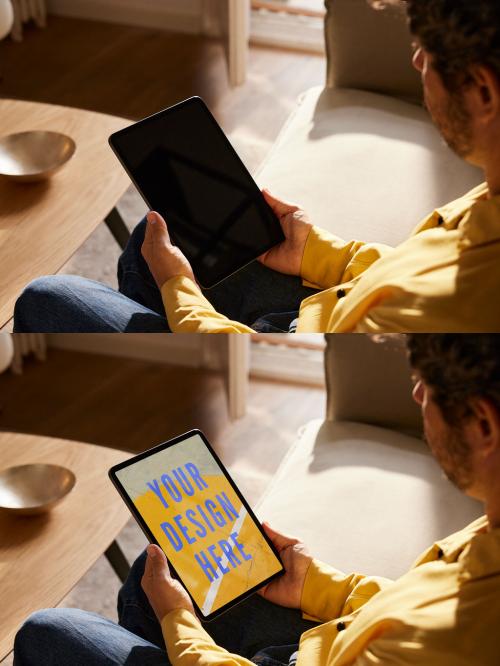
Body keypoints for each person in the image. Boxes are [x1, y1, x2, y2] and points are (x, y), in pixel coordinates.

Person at [13, 0, 500, 333]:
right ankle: (155, 331)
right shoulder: (487, 199)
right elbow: (411, 277)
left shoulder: (465, 296)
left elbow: (418, 296)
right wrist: (315, 252)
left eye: (427, 54)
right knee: (165, 227)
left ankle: (159, 333)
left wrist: (178, 286)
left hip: (299, 327)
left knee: (45, 296)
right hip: (329, 302)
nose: (416, 63)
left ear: (483, 91)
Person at [12, 333, 500, 665]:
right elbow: (425, 614)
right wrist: (316, 585)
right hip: (332, 643)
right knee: (163, 571)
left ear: (483, 425)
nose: (416, 396)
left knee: (47, 632)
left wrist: (180, 623)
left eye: (428, 390)